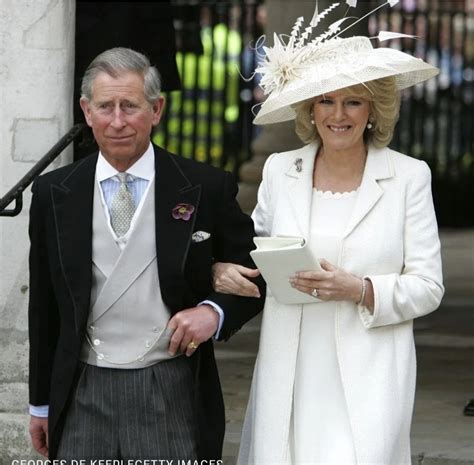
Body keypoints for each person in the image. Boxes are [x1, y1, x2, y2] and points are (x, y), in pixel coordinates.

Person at [211, 2, 444, 464]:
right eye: (327, 100)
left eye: (353, 100)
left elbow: (429, 286)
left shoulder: (409, 177)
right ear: (310, 109)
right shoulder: (281, 171)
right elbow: (254, 254)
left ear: (374, 109)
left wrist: (360, 289)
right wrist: (223, 270)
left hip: (370, 373)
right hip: (291, 369)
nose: (339, 115)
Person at [27, 47, 264, 461]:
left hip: (170, 385)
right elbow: (45, 308)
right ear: (86, 111)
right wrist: (40, 404)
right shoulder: (53, 193)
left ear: (156, 109)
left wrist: (214, 312)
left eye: (130, 106)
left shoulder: (205, 187)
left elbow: (257, 270)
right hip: (82, 385)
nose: (117, 121)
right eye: (105, 106)